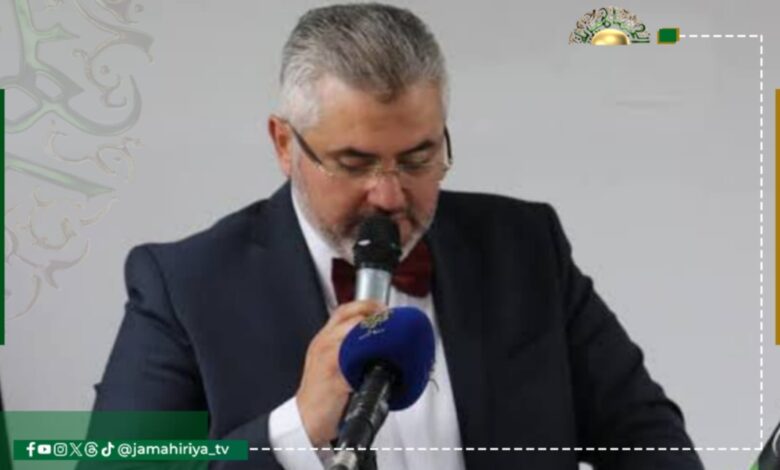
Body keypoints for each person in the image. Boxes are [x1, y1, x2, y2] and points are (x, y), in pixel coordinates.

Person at [92, 3, 705, 469]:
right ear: (284, 145)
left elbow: (650, 442)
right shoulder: (185, 286)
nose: (389, 196)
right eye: (354, 163)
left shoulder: (526, 247)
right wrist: (295, 430)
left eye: (418, 159)